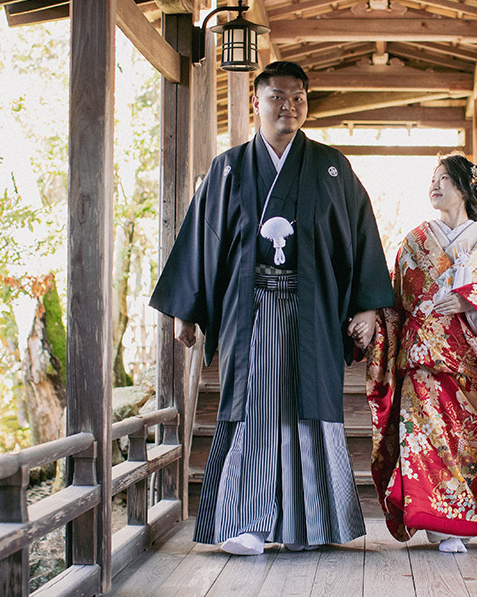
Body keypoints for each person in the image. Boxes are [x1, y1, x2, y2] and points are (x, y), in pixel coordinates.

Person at [150, 60, 393, 555]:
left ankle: (313, 523)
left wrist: (367, 307)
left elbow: (360, 235)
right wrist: (186, 309)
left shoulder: (331, 166)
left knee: (311, 409)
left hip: (315, 309)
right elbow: (203, 237)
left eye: (299, 97)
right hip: (250, 306)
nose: (290, 106)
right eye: (278, 96)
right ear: (256, 103)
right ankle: (246, 523)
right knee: (254, 409)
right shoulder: (229, 167)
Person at [366, 154, 477, 553]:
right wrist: (372, 320)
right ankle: (436, 520)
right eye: (433, 179)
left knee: (468, 446)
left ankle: (457, 521)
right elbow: (395, 300)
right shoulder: (415, 240)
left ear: (467, 188)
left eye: (446, 179)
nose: (435, 186)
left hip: (470, 364)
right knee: (423, 438)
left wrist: (471, 304)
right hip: (421, 361)